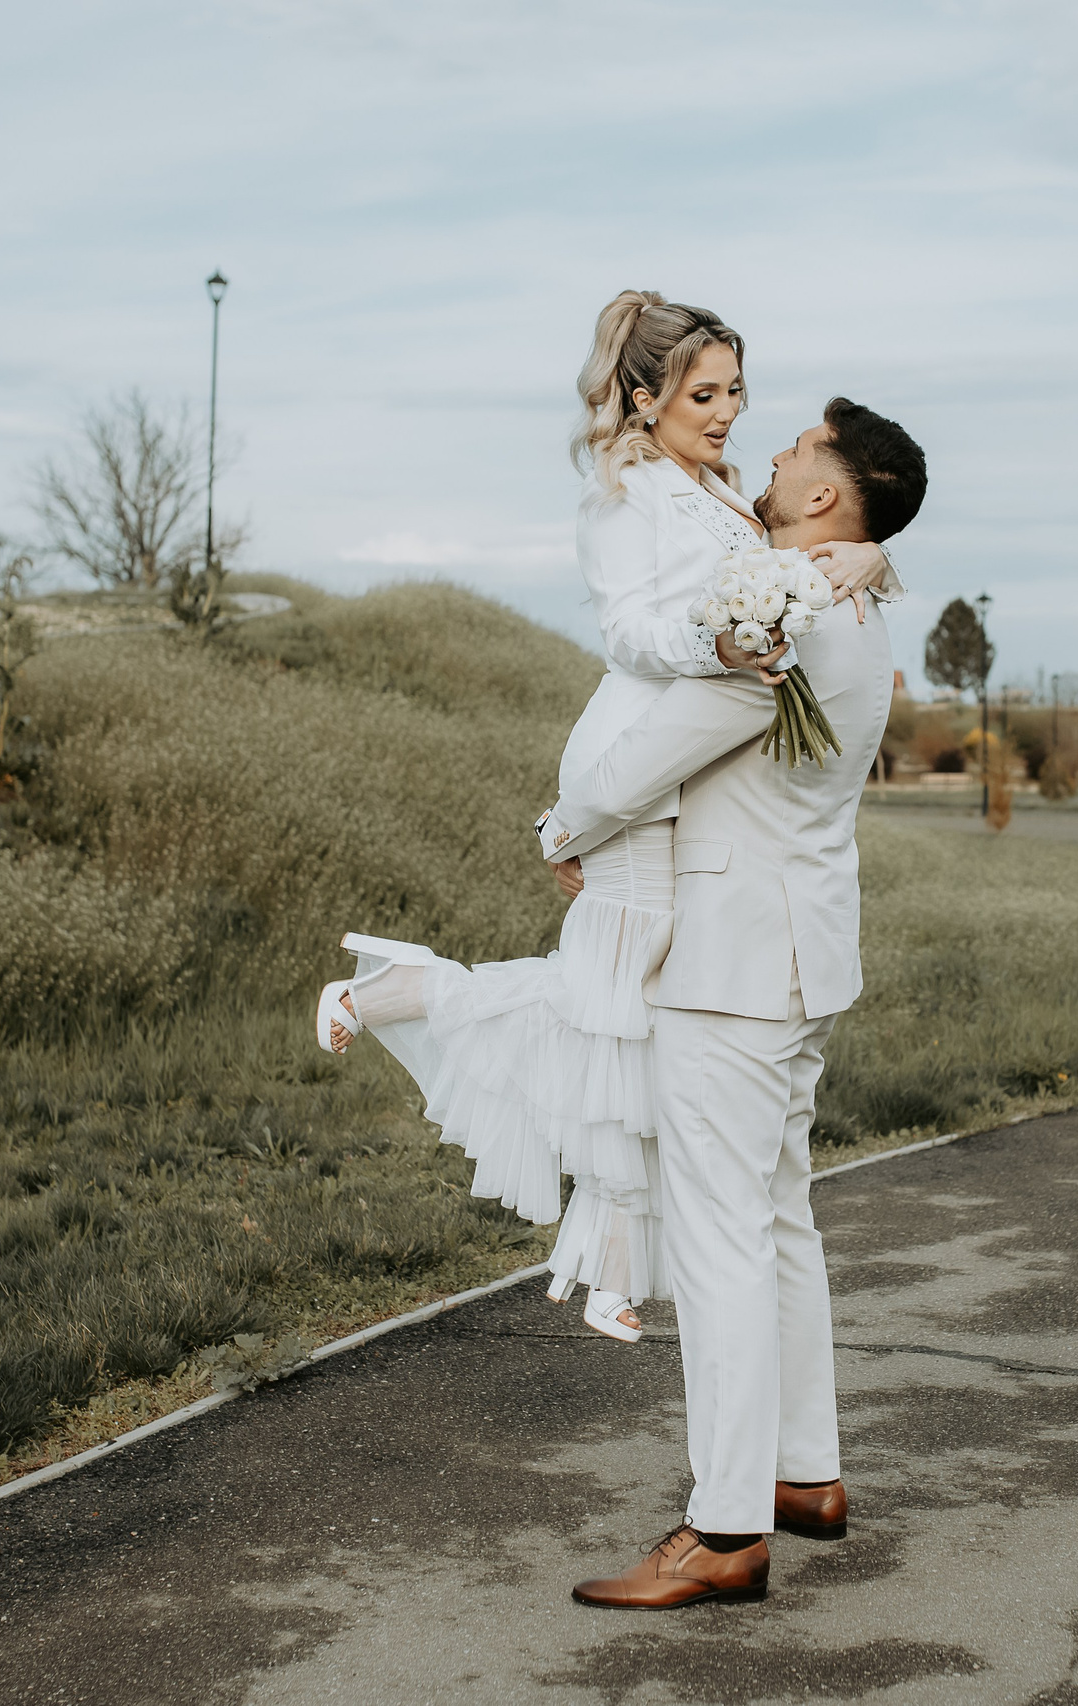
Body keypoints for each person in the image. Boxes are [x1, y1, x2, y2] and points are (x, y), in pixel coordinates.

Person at [315, 292, 894, 1343]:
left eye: (736, 394)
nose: (726, 414)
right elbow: (631, 629)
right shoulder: (625, 494)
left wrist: (864, 554)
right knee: (608, 999)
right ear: (644, 396)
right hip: (634, 753)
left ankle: (612, 1259)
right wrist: (709, 650)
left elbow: (801, 550)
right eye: (703, 393)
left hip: (679, 767)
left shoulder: (715, 486)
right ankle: (406, 990)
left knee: (636, 1011)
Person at [542, 397, 926, 1608]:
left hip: (728, 971)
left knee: (717, 1239)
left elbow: (660, 744)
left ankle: (722, 1529)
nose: (770, 452)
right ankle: (802, 1475)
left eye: (798, 449)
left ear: (826, 494)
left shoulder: (778, 626)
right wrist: (869, 549)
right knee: (773, 1219)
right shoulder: (850, 602)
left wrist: (562, 825)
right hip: (796, 957)